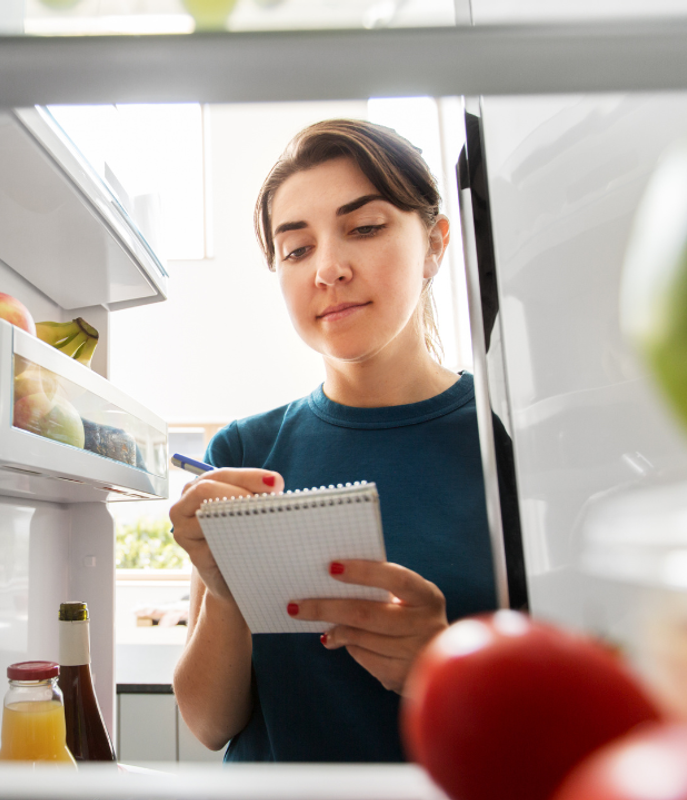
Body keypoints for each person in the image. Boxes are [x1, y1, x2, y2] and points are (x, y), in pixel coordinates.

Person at [169, 119, 499, 763]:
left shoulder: (507, 442)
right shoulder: (243, 454)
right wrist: (228, 588)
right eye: (296, 249)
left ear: (434, 244)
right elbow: (209, 723)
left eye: (365, 228)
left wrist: (443, 667)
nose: (328, 269)